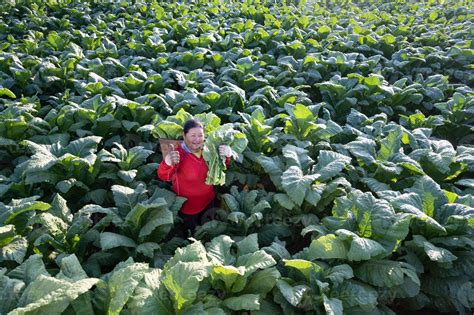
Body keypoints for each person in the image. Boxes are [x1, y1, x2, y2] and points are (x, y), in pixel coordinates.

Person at [157, 119, 232, 236]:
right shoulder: (177, 153)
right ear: (184, 136)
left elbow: (220, 167)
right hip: (188, 207)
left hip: (208, 200)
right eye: (193, 136)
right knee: (192, 235)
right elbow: (164, 176)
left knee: (209, 229)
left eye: (200, 135)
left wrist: (227, 156)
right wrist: (167, 163)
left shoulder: (209, 149)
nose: (197, 139)